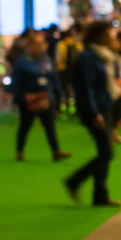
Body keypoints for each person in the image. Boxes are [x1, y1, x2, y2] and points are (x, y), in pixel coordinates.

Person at [64, 21, 120, 207]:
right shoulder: (87, 57)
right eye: (109, 34)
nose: (112, 37)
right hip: (94, 109)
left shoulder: (104, 55)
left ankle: (100, 196)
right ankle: (74, 181)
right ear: (99, 35)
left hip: (106, 106)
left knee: (105, 152)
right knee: (106, 153)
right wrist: (94, 112)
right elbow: (85, 88)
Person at [9, 29, 71, 162]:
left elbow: (53, 78)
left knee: (50, 126)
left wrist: (58, 95)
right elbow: (16, 80)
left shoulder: (46, 59)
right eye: (37, 44)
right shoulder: (23, 61)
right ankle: (19, 151)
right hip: (29, 99)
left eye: (42, 43)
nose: (41, 46)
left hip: (46, 98)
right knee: (25, 125)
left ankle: (56, 151)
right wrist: (19, 97)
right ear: (30, 45)